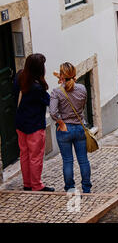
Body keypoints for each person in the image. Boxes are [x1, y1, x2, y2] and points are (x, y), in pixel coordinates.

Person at [14, 53, 54, 192]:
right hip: (35, 126)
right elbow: (50, 102)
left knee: (24, 154)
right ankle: (36, 185)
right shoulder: (37, 88)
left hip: (20, 123)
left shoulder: (19, 77)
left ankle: (27, 184)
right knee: (35, 157)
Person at [49, 62, 92, 193]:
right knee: (83, 160)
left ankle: (70, 188)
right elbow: (82, 105)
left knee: (67, 161)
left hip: (64, 129)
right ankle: (86, 188)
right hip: (79, 127)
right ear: (74, 75)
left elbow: (52, 112)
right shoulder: (82, 88)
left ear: (62, 76)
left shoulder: (56, 92)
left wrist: (60, 122)